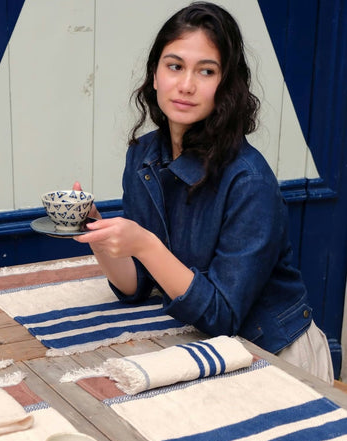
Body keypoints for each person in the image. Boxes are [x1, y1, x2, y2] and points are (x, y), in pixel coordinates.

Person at [73, 1, 334, 383]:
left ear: (226, 85)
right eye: (174, 66)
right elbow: (137, 285)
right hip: (206, 352)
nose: (186, 85)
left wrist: (144, 244)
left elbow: (222, 315)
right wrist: (97, 234)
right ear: (155, 75)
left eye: (206, 71)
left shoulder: (249, 181)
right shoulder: (144, 156)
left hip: (275, 355)